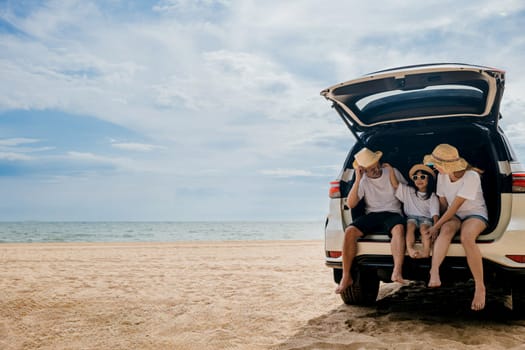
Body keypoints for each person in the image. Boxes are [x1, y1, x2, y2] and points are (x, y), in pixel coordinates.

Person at [424, 144, 488, 311]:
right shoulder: (442, 177)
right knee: (446, 230)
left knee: (467, 237)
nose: (434, 167)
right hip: (455, 215)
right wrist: (440, 224)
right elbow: (445, 205)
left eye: (436, 165)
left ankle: (480, 287)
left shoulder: (471, 176)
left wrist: (435, 226)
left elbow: (455, 206)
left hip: (475, 213)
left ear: (447, 166)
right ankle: (434, 271)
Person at [335, 147, 408, 294]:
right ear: (363, 170)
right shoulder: (362, 180)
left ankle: (397, 271)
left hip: (393, 212)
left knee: (398, 229)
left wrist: (392, 173)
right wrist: (357, 180)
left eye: (376, 165)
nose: (375, 170)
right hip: (372, 214)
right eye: (370, 169)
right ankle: (346, 276)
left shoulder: (391, 172)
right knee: (349, 231)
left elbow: (406, 194)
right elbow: (351, 204)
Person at [385, 163, 440, 259]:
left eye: (422, 177)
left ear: (429, 179)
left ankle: (426, 251)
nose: (419, 180)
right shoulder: (408, 191)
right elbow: (395, 185)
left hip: (426, 219)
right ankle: (410, 249)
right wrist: (390, 170)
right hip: (411, 218)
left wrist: (436, 227)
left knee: (424, 229)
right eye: (415, 177)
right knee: (410, 227)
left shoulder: (432, 196)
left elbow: (435, 214)